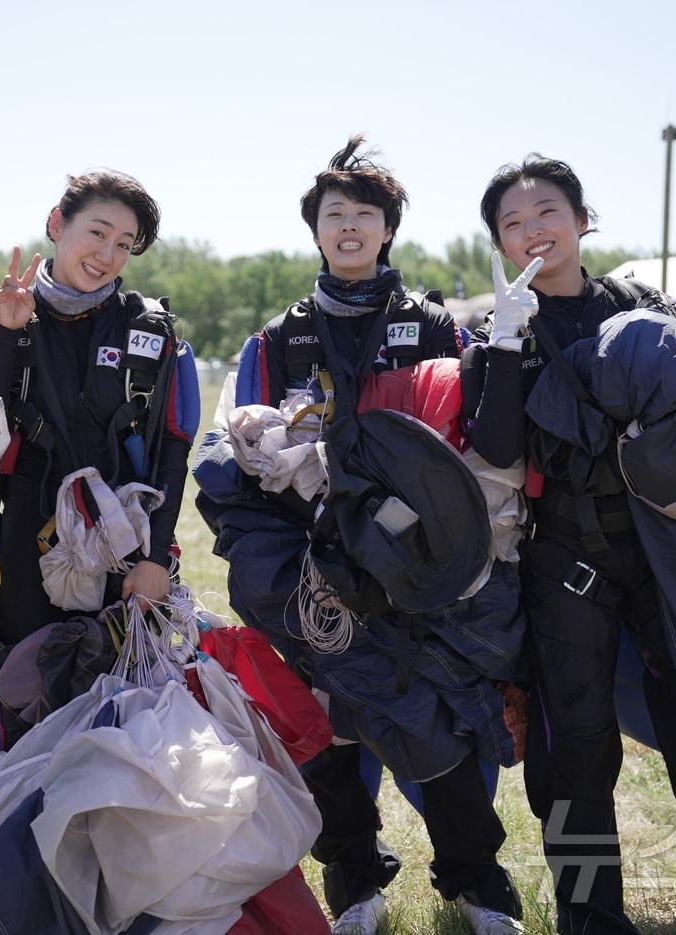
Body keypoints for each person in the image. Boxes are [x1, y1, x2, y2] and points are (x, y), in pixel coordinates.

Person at [463, 154, 676, 935]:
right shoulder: (496, 334)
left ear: (583, 220)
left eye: (548, 212)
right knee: (576, 751)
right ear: (499, 243)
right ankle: (592, 920)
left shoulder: (646, 307)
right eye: (513, 223)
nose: (533, 231)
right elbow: (496, 447)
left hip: (670, 554)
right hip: (565, 560)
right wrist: (507, 346)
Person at [199, 136, 526, 935]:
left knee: (436, 714)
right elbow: (240, 453)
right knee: (328, 726)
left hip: (413, 562)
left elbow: (468, 446)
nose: (349, 227)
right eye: (334, 214)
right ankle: (354, 883)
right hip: (311, 569)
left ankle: (476, 883)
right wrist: (264, 450)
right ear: (315, 230)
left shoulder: (434, 326)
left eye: (365, 215)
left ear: (388, 230)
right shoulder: (277, 339)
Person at [0, 169, 199, 750]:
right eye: (97, 232)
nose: (107, 255)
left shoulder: (151, 335)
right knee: (25, 697)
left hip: (126, 543)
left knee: (120, 710)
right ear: (57, 225)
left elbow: (172, 453)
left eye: (124, 244)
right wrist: (8, 333)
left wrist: (155, 561)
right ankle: (20, 808)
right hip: (26, 542)